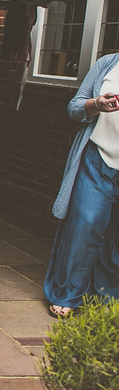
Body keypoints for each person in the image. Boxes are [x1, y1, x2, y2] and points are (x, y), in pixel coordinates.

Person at [46, 52, 119, 317]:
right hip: (98, 158)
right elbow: (75, 108)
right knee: (85, 223)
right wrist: (96, 104)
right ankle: (67, 293)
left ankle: (108, 297)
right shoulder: (107, 64)